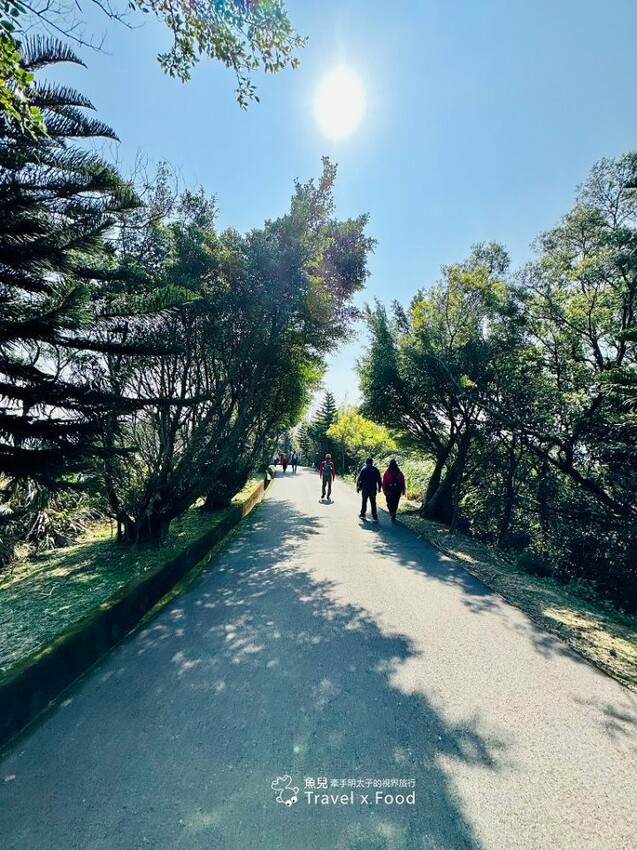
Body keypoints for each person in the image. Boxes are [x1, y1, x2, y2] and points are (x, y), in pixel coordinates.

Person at [356, 457, 382, 522]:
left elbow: (359, 480)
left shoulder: (363, 470)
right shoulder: (375, 470)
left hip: (365, 488)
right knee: (373, 502)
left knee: (364, 501)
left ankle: (362, 514)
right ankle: (375, 517)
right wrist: (379, 488)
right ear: (372, 462)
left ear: (366, 462)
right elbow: (379, 479)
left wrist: (358, 487)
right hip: (373, 488)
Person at [383, 459, 406, 523]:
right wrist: (403, 489)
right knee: (396, 503)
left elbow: (384, 482)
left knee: (389, 503)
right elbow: (402, 482)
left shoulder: (387, 473)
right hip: (397, 491)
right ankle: (394, 513)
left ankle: (391, 512)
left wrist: (385, 490)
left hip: (389, 491)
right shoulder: (400, 473)